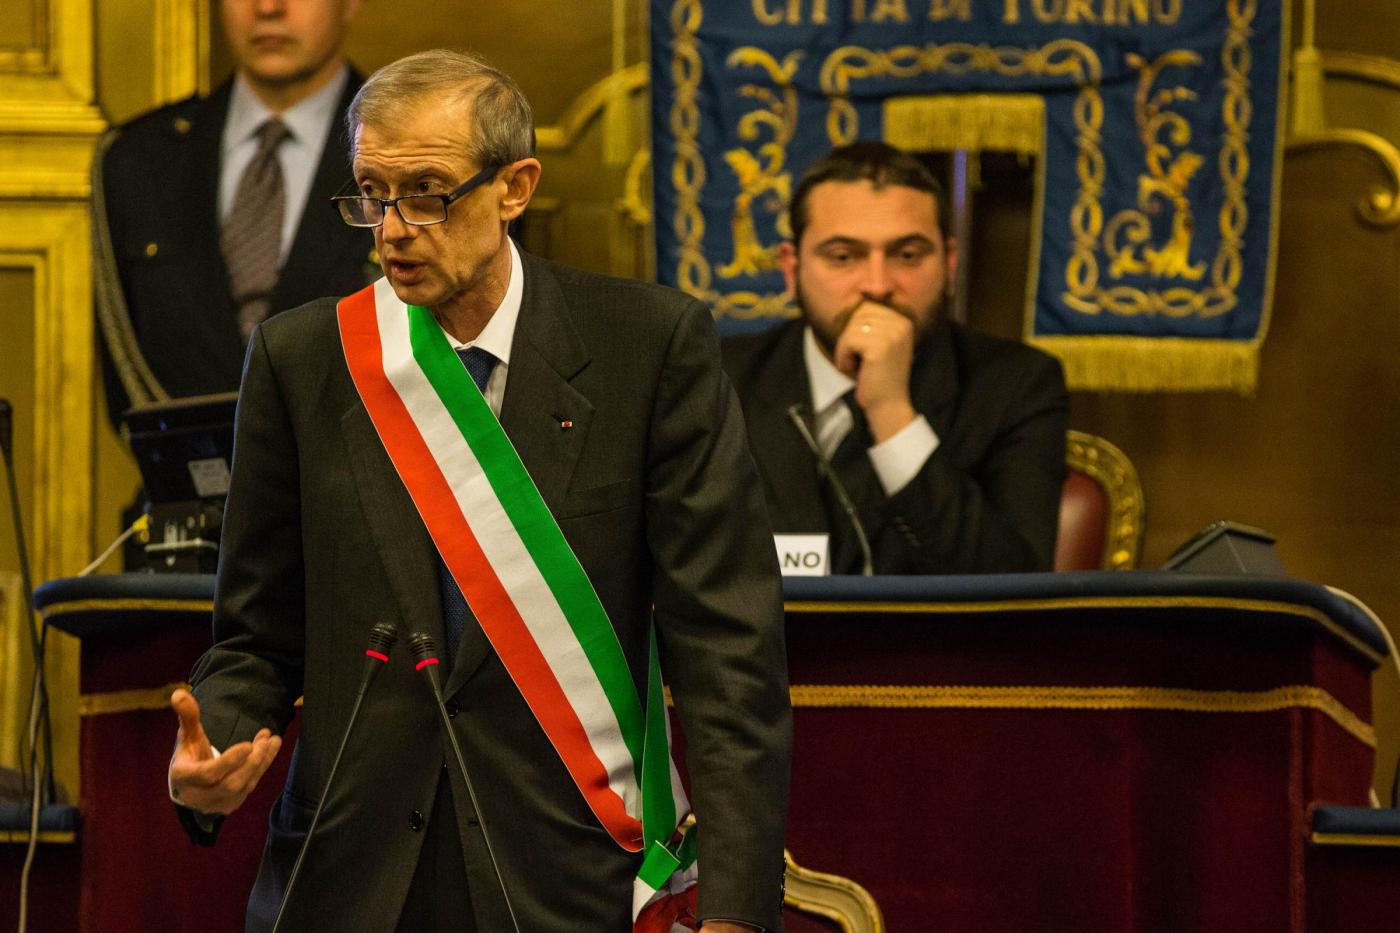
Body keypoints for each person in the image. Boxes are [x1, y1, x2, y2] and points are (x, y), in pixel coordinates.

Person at [166, 50, 791, 933]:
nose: (392, 229)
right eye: (371, 194)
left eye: (427, 193)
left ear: (514, 188)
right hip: (351, 876)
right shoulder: (302, 359)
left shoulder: (648, 348)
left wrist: (732, 908)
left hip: (569, 874)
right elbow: (256, 637)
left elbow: (728, 651)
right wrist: (215, 750)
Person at [722, 141, 1068, 575]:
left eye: (907, 255)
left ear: (950, 265)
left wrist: (891, 413)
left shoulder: (1015, 384)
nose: (878, 285)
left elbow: (1013, 585)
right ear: (792, 270)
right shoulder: (721, 381)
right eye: (843, 257)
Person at [96, 0, 374, 420]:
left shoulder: (414, 156)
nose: (268, 8)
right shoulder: (138, 160)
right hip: (186, 459)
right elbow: (127, 375)